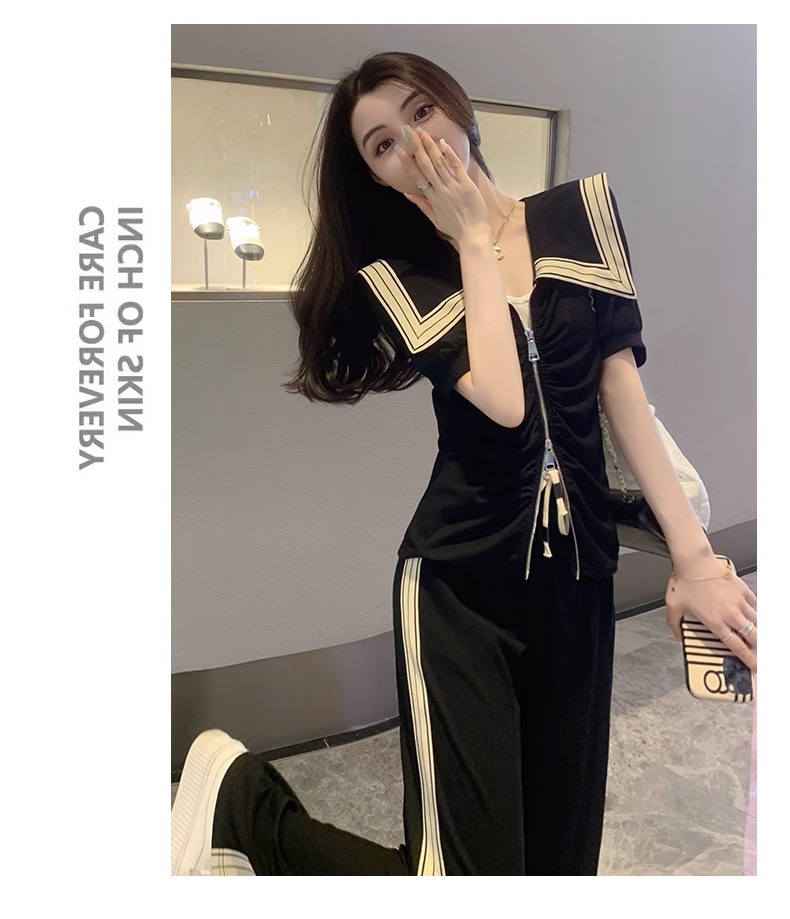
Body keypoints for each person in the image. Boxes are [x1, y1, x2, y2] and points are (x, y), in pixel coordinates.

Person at [171, 50, 758, 876]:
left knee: (558, 868)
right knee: (465, 877)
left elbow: (620, 386)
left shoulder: (579, 213)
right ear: (376, 176)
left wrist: (695, 558)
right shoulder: (400, 278)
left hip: (579, 587)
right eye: (382, 144)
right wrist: (474, 238)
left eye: (420, 112)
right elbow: (505, 401)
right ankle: (248, 808)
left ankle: (243, 810)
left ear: (459, 109)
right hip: (457, 591)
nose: (413, 143)